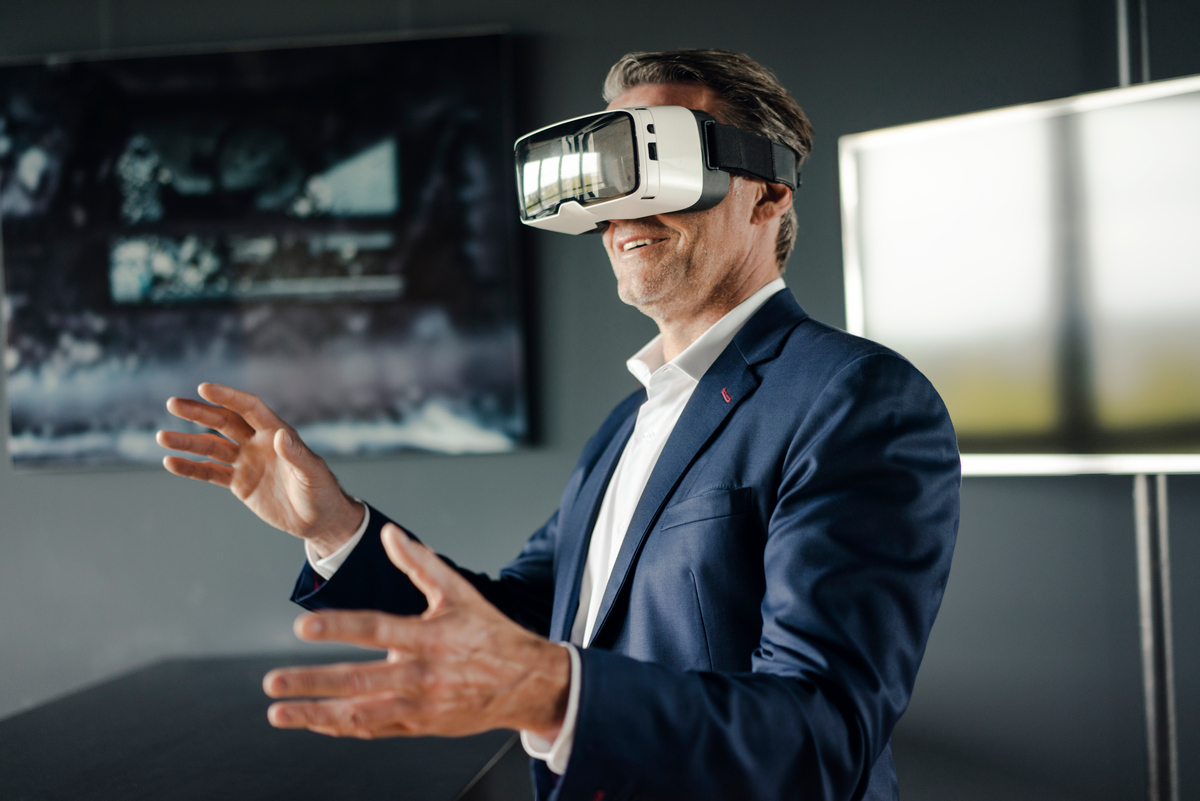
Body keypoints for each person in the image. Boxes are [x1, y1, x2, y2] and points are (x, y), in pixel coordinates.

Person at [159, 49, 959, 801]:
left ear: (768, 193)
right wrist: (337, 528)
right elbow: (517, 628)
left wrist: (554, 692)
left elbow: (821, 733)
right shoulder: (630, 423)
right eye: (608, 188)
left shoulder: (854, 398)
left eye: (660, 173)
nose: (623, 214)